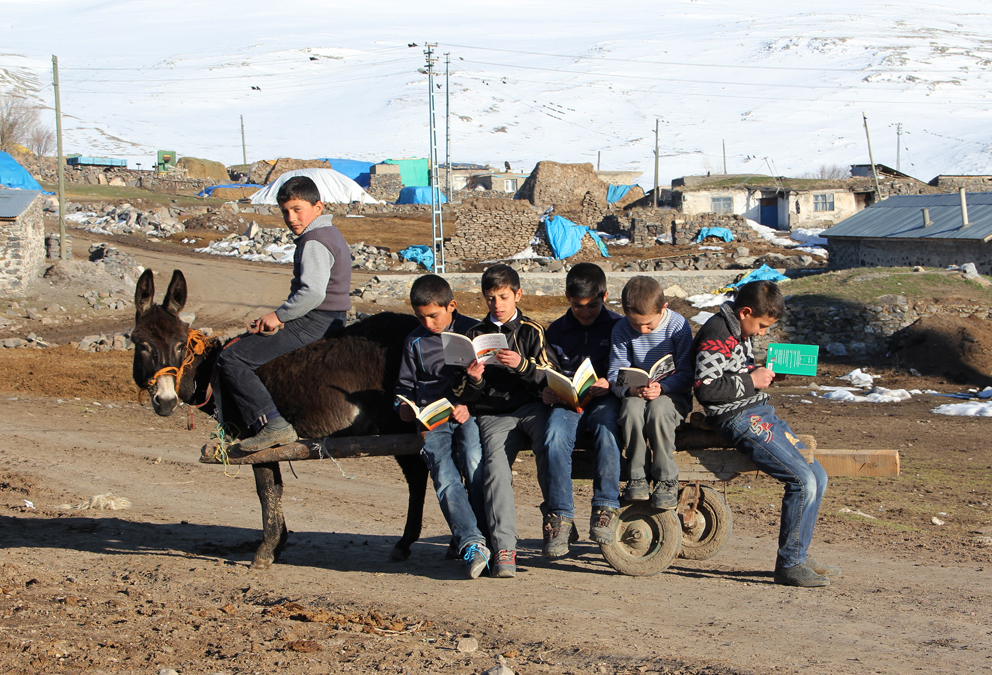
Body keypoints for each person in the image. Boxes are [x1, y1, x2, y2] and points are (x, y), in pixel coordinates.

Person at [693, 280, 838, 588]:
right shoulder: (718, 332)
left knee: (818, 476)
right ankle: (790, 565)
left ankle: (798, 552)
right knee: (801, 480)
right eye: (760, 325)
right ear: (745, 312)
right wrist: (751, 380)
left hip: (758, 412)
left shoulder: (739, 330)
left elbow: (737, 373)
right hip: (736, 418)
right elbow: (706, 389)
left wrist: (765, 374)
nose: (760, 332)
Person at [217, 176, 350, 452]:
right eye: (285, 211)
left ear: (318, 207)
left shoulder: (314, 240)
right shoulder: (330, 233)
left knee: (232, 357)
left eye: (297, 209)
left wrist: (278, 317)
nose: (291, 217)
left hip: (315, 320)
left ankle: (273, 424)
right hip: (331, 318)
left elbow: (312, 294)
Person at [460, 264, 558, 578]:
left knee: (549, 446)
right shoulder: (474, 335)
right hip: (493, 415)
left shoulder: (532, 330)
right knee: (496, 470)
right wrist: (474, 380)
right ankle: (504, 547)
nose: (498, 305)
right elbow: (466, 392)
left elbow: (549, 376)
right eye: (491, 298)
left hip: (532, 409)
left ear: (518, 294)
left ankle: (556, 520)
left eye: (503, 297)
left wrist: (522, 365)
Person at [394, 274, 490, 578]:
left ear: (452, 305)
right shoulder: (414, 341)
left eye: (434, 316)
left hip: (468, 412)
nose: (429, 323)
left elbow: (492, 382)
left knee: (474, 460)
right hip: (431, 417)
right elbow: (405, 386)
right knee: (442, 470)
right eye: (421, 317)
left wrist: (470, 402)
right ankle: (472, 543)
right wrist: (404, 409)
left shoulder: (474, 331)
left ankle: (485, 533)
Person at [541, 263, 624, 557]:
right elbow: (547, 369)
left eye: (593, 306)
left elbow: (626, 369)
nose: (586, 313)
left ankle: (606, 507)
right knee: (553, 438)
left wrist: (610, 383)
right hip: (568, 403)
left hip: (604, 400)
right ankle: (560, 517)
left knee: (607, 430)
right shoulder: (556, 330)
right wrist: (548, 391)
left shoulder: (618, 326)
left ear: (605, 295)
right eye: (578, 306)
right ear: (567, 298)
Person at [606, 277, 693, 509]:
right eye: (636, 325)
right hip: (636, 393)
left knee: (659, 411)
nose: (642, 330)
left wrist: (664, 387)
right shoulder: (622, 329)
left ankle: (666, 478)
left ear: (664, 308)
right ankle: (637, 475)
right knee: (631, 411)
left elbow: (687, 373)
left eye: (649, 326)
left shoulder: (678, 326)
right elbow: (615, 376)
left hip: (672, 396)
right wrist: (631, 389)